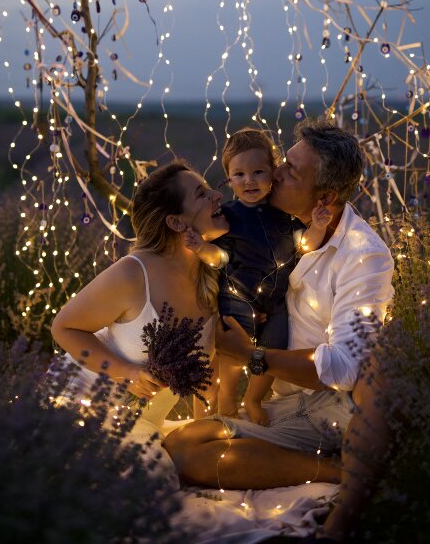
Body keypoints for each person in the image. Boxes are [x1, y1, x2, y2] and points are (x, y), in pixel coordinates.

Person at [164, 118, 394, 526]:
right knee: (181, 440)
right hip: (278, 397)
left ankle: (345, 474)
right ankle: (306, 461)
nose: (276, 173)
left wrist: (252, 355)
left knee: (184, 453)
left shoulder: (363, 256)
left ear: (323, 195)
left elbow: (343, 368)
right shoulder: (284, 224)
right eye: (283, 161)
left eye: (291, 171)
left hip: (326, 406)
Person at [48, 160, 230, 449]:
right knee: (149, 481)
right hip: (81, 411)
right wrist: (127, 372)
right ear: (176, 222)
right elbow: (64, 327)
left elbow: (207, 371)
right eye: (201, 193)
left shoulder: (212, 277)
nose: (217, 196)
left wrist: (204, 429)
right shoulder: (134, 273)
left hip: (143, 425)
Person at [183, 128, 331, 425]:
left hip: (276, 301)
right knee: (232, 356)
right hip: (237, 297)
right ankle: (226, 405)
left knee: (273, 349)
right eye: (239, 175)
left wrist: (317, 226)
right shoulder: (228, 216)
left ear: (273, 172)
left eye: (258, 172)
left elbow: (305, 247)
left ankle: (253, 400)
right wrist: (201, 249)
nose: (249, 181)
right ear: (228, 178)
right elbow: (220, 259)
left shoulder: (284, 214)